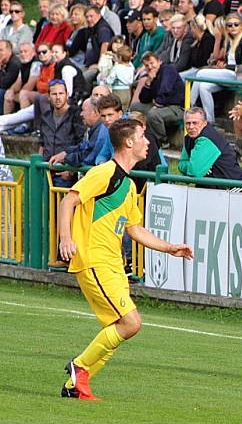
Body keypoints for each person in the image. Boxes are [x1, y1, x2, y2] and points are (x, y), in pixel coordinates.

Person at [58, 119, 193, 400]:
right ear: (129, 142)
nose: (148, 142)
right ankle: (80, 366)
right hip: (95, 260)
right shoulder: (106, 172)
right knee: (131, 322)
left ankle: (75, 387)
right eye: (143, 136)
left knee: (119, 328)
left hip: (113, 264)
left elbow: (134, 229)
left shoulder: (129, 185)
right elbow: (68, 200)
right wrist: (66, 238)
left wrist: (169, 248)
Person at [129, 52, 185, 148]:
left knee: (153, 114)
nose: (150, 67)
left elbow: (165, 89)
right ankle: (143, 134)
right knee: (135, 107)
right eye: (147, 65)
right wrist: (149, 82)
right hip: (162, 106)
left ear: (159, 61)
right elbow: (144, 99)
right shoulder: (152, 75)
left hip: (177, 107)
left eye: (152, 63)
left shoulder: (168, 70)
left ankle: (162, 141)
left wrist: (157, 105)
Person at [178, 108, 242, 182]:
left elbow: (194, 172)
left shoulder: (207, 138)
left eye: (195, 123)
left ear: (205, 123)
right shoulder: (188, 138)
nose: (191, 127)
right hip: (212, 185)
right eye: (188, 123)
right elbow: (181, 164)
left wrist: (196, 167)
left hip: (233, 187)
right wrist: (199, 167)